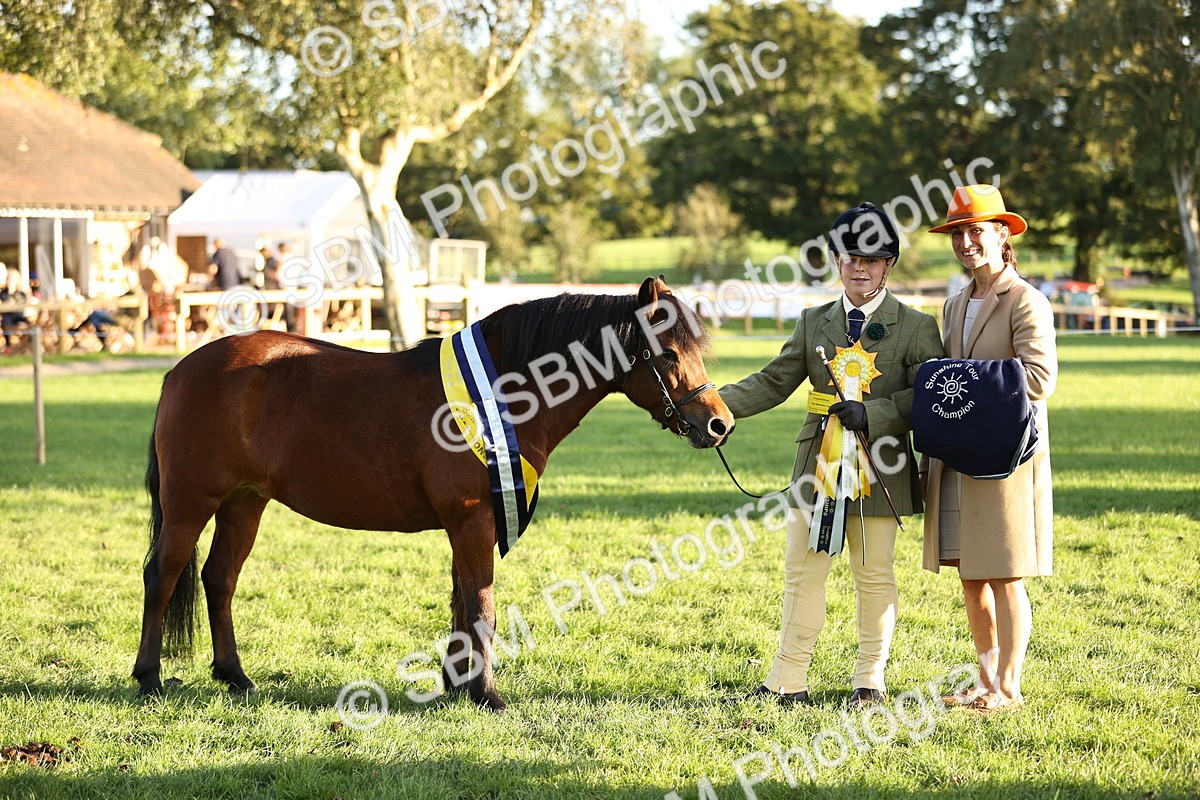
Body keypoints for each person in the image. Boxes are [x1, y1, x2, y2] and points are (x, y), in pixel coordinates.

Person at [720, 203, 944, 709]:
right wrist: (712, 405)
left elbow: (930, 394)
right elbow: (773, 382)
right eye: (849, 257)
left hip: (881, 464)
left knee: (874, 573)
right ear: (835, 260)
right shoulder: (812, 321)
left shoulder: (915, 326)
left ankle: (870, 681)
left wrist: (878, 413)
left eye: (873, 257)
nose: (859, 267)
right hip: (816, 467)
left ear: (889, 263)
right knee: (802, 570)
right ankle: (787, 679)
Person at [921, 184, 1057, 714]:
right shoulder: (954, 304)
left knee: (1005, 572)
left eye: (976, 231)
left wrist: (964, 383)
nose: (966, 242)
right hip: (958, 454)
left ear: (1003, 236)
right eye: (958, 233)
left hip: (1007, 457)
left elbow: (1040, 378)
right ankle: (984, 680)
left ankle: (1009, 687)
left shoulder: (1027, 300)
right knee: (971, 573)